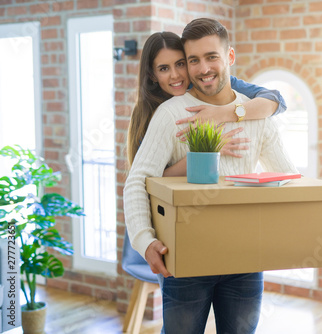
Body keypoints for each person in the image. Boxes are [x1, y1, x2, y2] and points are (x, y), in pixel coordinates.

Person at [124, 18, 298, 333]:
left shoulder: (255, 114)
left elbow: (287, 176)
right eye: (193, 60)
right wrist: (144, 241)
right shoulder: (171, 113)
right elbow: (139, 180)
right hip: (185, 263)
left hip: (246, 262)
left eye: (211, 57)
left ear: (229, 57)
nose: (203, 68)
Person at [126, 31, 287, 177]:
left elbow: (275, 99)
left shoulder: (210, 84)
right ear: (152, 75)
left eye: (180, 64)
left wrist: (223, 113)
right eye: (163, 69)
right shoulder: (151, 115)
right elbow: (150, 178)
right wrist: (207, 152)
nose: (175, 75)